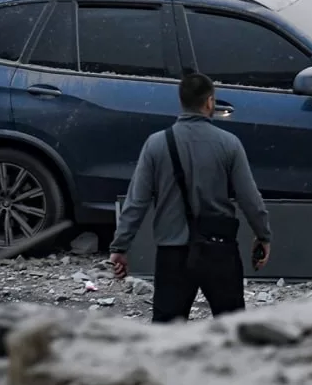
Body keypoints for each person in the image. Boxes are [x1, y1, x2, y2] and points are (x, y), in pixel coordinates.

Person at [110, 73, 273, 323]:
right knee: (233, 331)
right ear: (209, 102)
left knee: (167, 332)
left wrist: (120, 247)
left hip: (173, 255)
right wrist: (263, 235)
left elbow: (136, 202)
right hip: (219, 250)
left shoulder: (156, 144)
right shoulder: (229, 144)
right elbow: (249, 198)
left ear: (181, 101)